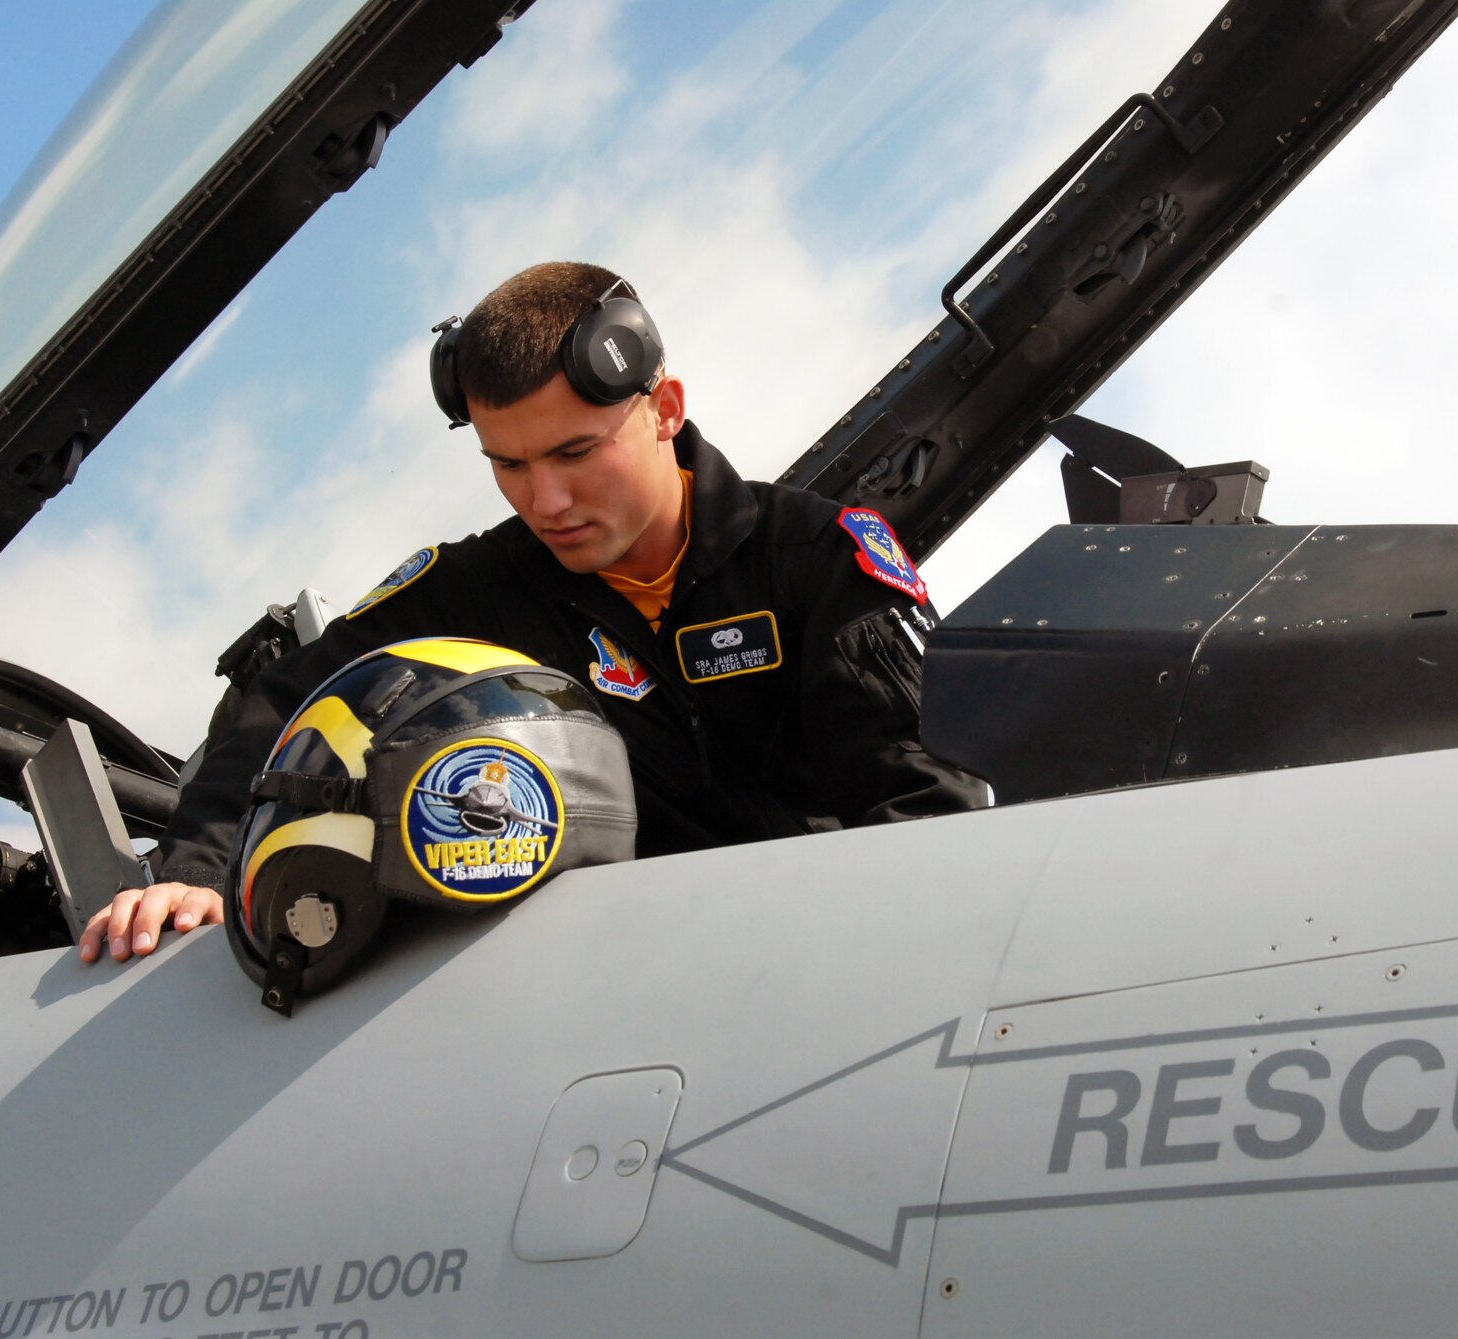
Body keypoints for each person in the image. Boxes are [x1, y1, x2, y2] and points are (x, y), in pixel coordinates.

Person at [79, 261, 989, 965]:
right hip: (606, 992)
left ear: (664, 408)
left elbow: (931, 808)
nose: (544, 499)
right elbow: (284, 704)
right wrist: (197, 870)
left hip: (835, 964)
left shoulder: (818, 557)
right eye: (507, 465)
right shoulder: (475, 591)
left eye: (574, 452)